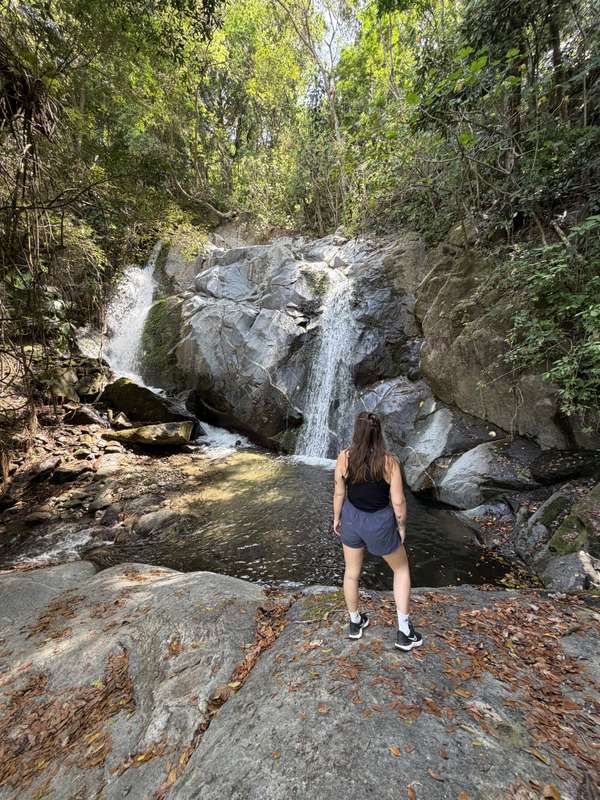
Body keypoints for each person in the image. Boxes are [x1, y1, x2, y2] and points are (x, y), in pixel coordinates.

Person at [333, 411, 422, 651]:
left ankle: (355, 623)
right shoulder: (388, 462)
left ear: (356, 433)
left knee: (351, 573)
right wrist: (401, 526)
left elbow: (339, 492)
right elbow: (399, 502)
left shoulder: (345, 457)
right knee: (401, 569)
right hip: (379, 524)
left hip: (351, 519)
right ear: (379, 433)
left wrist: (336, 518)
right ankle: (404, 632)